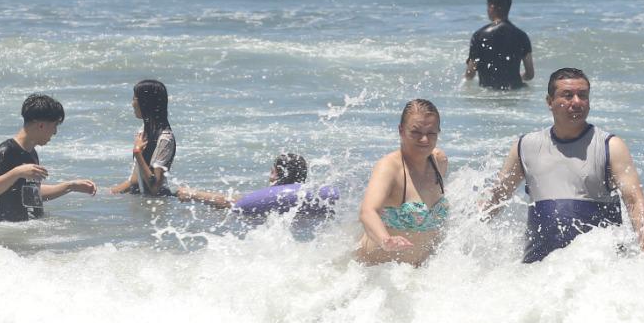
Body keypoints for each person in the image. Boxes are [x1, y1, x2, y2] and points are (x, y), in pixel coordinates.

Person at [483, 67, 644, 263]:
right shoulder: (525, 146)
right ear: (549, 102)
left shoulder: (610, 145)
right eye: (567, 95)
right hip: (536, 270)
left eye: (583, 96)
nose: (577, 102)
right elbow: (497, 197)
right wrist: (463, 231)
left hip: (599, 271)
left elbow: (634, 201)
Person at [356, 100, 450, 266]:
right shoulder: (389, 168)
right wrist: (386, 240)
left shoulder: (439, 162)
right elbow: (367, 212)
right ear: (401, 130)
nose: (424, 139)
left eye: (431, 133)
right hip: (376, 276)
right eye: (416, 132)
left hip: (418, 276)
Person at [0, 94, 97, 222]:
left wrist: (70, 186)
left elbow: (32, 195)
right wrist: (17, 172)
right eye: (55, 125)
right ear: (41, 125)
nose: (55, 132)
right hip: (10, 233)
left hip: (29, 229)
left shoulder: (32, 153)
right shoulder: (6, 151)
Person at [175, 153, 339, 216]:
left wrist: (191, 194)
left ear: (278, 174)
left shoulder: (270, 198)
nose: (270, 175)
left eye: (272, 171)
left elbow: (233, 203)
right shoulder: (314, 198)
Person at [110, 79, 176, 196]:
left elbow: (155, 188)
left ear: (146, 102)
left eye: (134, 99)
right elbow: (135, 181)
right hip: (142, 204)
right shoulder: (144, 132)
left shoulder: (165, 139)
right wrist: (106, 193)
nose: (132, 103)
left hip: (157, 207)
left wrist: (137, 153)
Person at [464, 0, 534, 90]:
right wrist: (518, 77)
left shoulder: (479, 35)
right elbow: (530, 74)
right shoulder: (521, 36)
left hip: (488, 93)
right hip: (514, 92)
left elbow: (470, 74)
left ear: (492, 7)